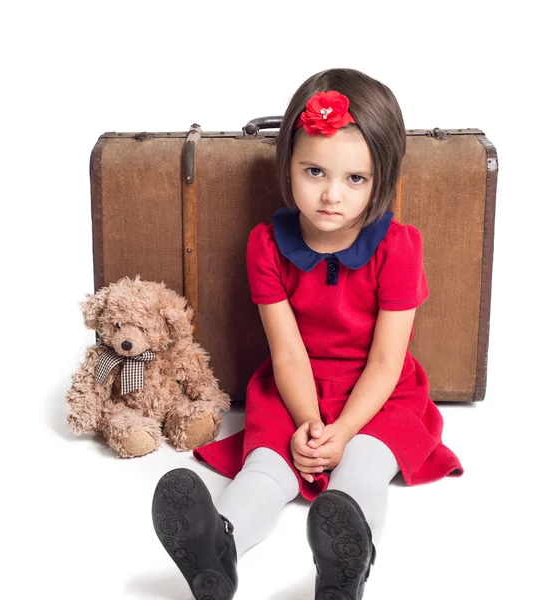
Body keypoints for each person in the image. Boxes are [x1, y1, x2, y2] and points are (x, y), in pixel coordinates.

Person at [151, 67, 464, 600]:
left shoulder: (399, 247)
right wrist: (308, 423)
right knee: (266, 468)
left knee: (362, 465)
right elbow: (289, 354)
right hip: (295, 390)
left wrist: (341, 434)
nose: (331, 196)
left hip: (378, 394)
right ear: (288, 166)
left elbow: (388, 361)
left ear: (382, 179)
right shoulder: (267, 245)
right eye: (314, 172)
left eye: (354, 179)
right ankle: (216, 550)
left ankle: (346, 566)